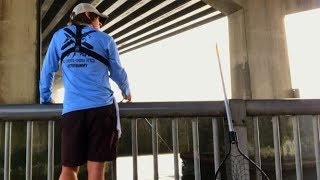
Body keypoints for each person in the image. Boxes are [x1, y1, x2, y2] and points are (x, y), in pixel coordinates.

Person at [39, 3, 131, 180]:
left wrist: (45, 99)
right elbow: (118, 72)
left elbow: (47, 70)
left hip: (73, 110)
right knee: (96, 169)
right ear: (89, 16)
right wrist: (126, 91)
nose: (100, 24)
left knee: (69, 168)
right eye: (98, 19)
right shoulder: (105, 39)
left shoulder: (59, 37)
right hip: (102, 109)